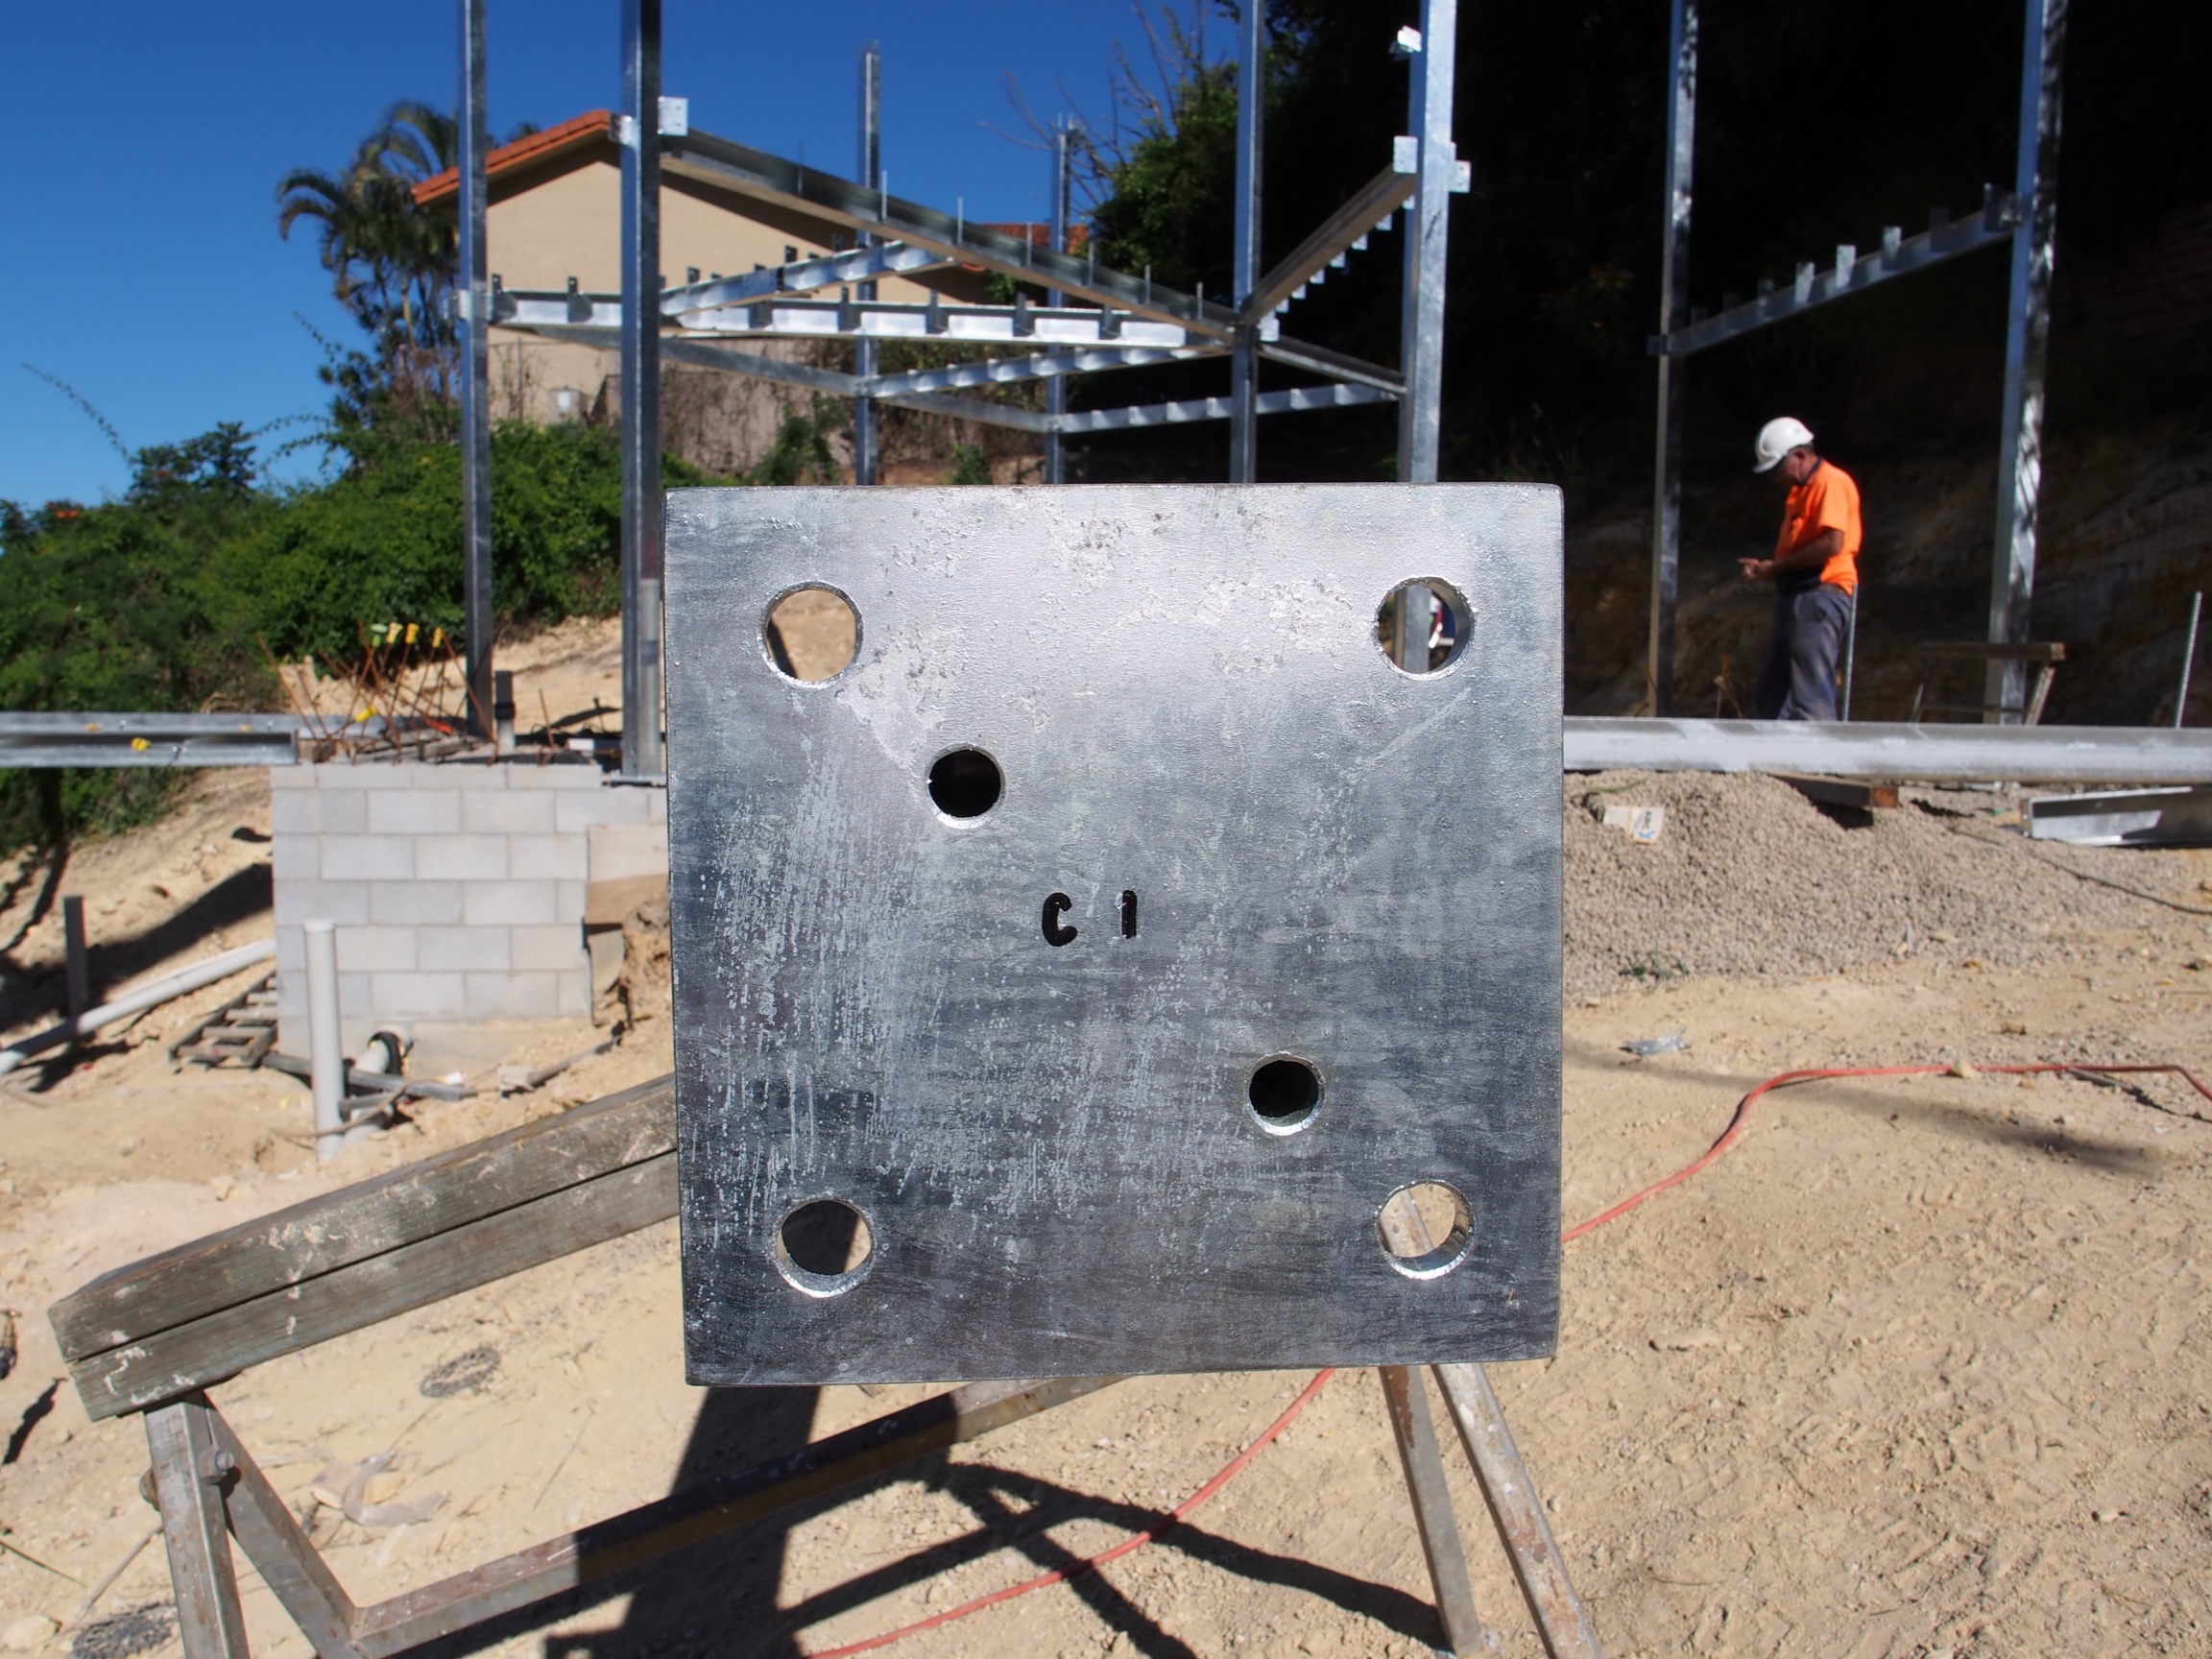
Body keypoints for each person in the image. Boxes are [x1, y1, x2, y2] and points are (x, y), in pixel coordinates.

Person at [1740, 416, 1862, 720]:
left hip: (1820, 593)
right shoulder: (1801, 492)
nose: (1777, 478)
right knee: (1771, 695)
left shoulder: (1830, 482)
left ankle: (1819, 747)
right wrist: (1772, 569)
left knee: (1811, 694)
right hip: (1797, 594)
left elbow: (1832, 543)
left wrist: (1777, 567)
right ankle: (1770, 748)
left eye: (1779, 469)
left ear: (1800, 455)